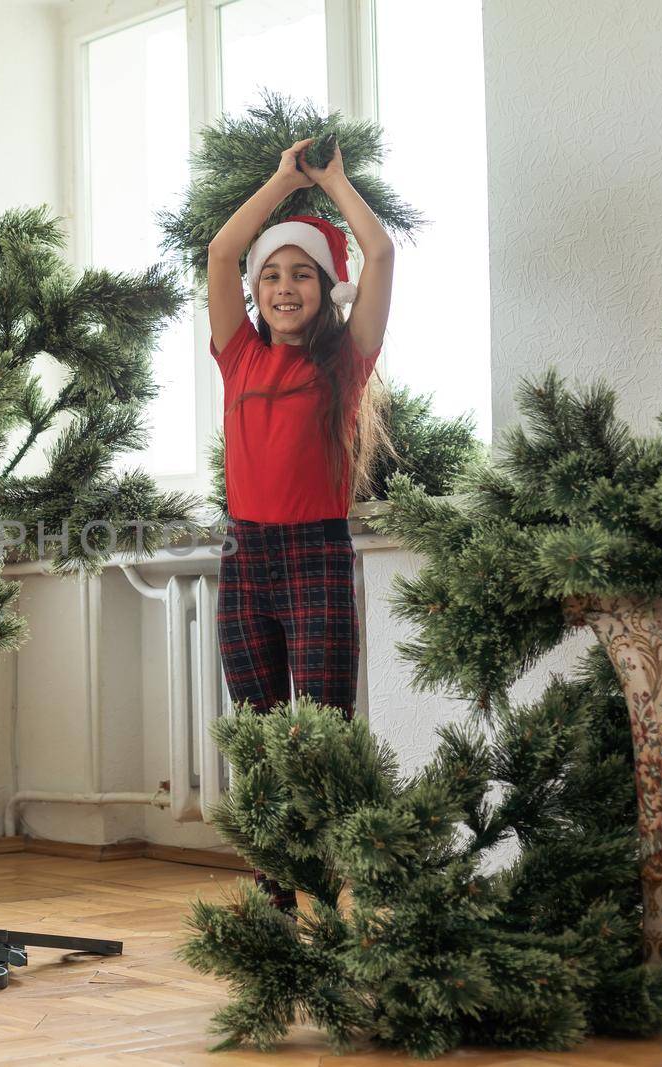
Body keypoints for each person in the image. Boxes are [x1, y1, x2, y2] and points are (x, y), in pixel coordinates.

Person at [204, 137, 394, 908]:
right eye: (272, 275)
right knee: (258, 734)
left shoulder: (344, 361)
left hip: (316, 554)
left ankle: (331, 879)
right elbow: (222, 251)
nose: (285, 287)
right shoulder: (238, 356)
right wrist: (281, 183)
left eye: (302, 274)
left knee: (319, 735)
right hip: (245, 558)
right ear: (256, 291)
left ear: (327, 286)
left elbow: (379, 253)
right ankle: (274, 889)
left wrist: (334, 183)